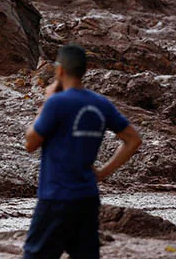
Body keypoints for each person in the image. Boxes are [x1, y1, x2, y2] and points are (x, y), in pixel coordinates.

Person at [23, 44, 142, 259]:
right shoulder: (101, 104)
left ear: (59, 71)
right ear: (83, 71)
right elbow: (133, 140)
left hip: (56, 197)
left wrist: (46, 103)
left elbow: (30, 143)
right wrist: (103, 173)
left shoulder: (56, 103)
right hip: (87, 198)